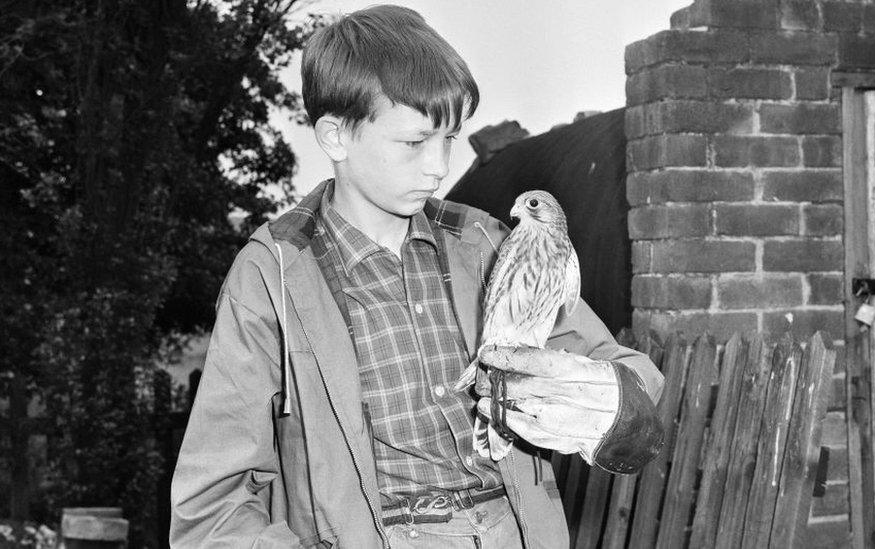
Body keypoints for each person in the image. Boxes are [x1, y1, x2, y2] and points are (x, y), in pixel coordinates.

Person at [170, 5, 665, 548]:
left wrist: (609, 399)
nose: (438, 167)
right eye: (414, 142)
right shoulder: (273, 276)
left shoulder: (484, 243)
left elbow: (625, 371)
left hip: (516, 531)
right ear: (335, 136)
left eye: (449, 140)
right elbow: (212, 507)